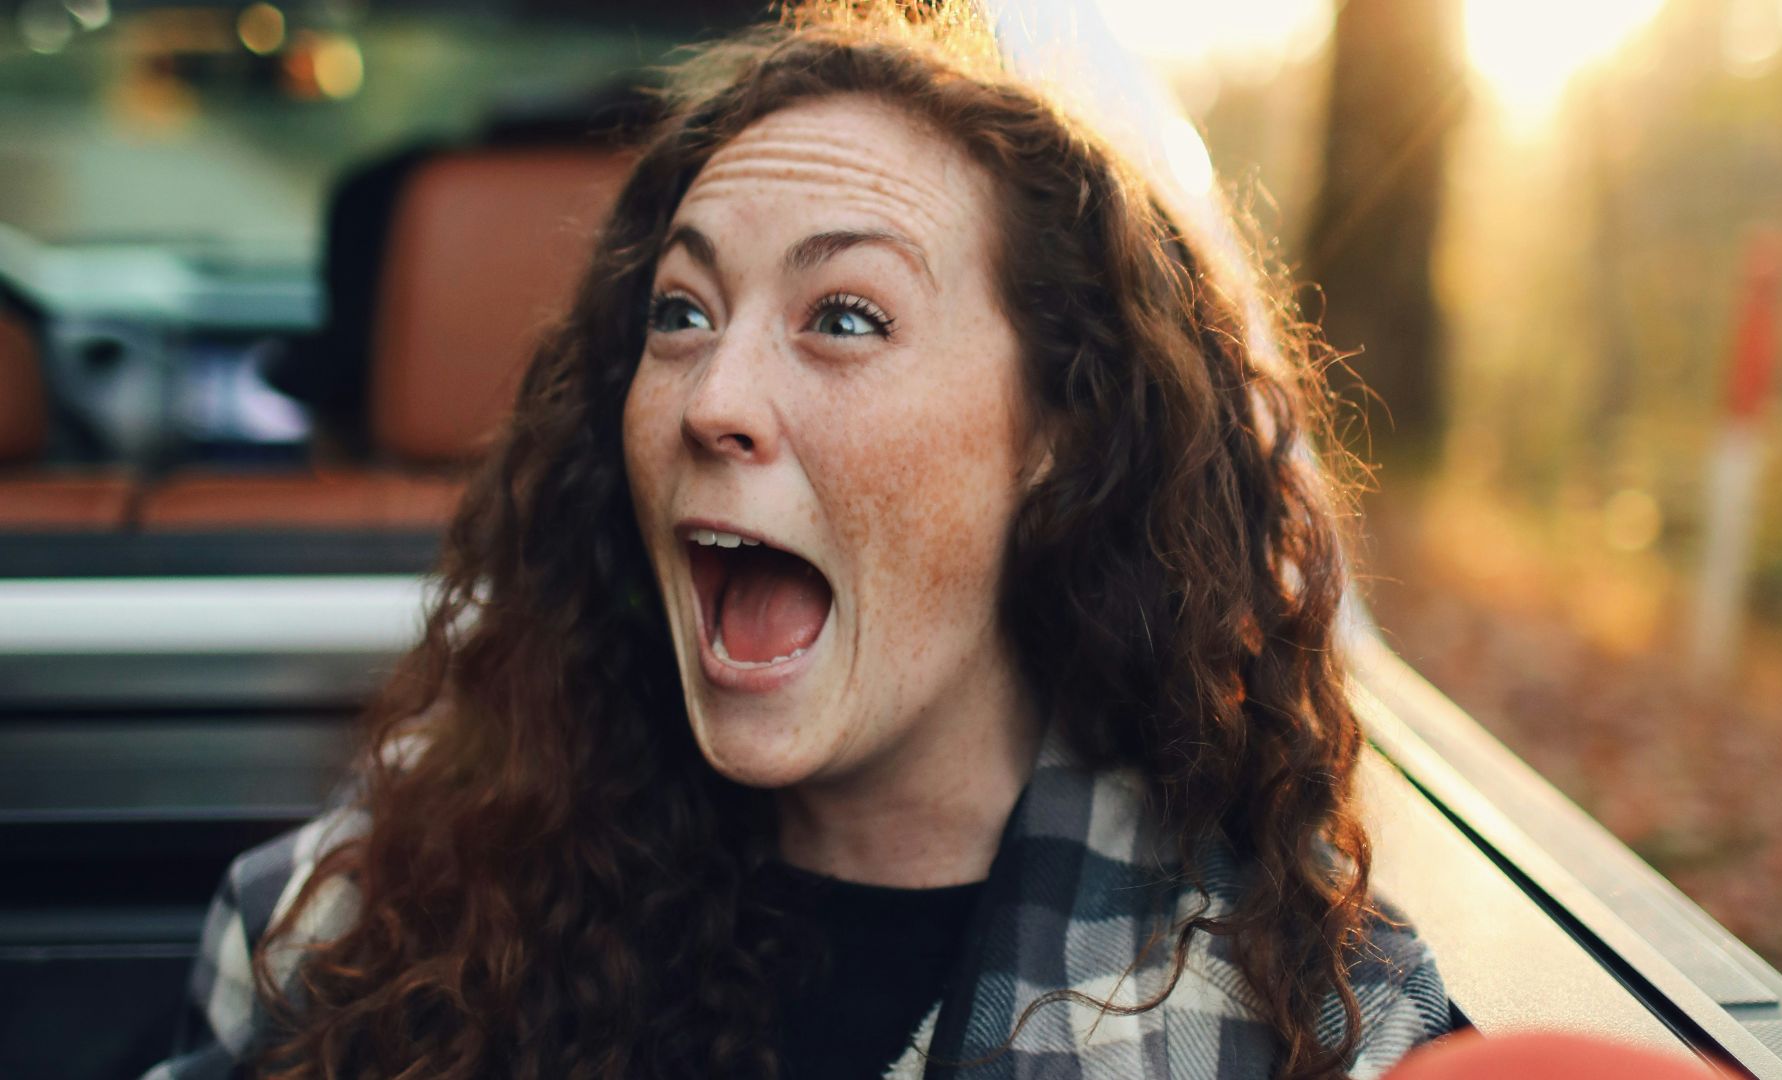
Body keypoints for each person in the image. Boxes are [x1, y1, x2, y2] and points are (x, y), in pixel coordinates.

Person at [144, 5, 1453, 1078]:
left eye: (844, 318)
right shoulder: (361, 929)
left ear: (1060, 431)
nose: (712, 397)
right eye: (681, 313)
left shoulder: (1298, 1032)